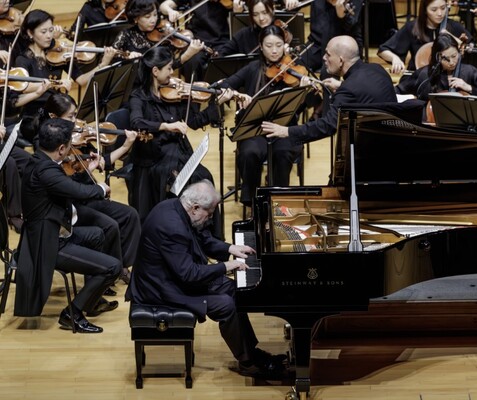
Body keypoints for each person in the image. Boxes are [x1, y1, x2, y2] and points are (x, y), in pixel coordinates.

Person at [126, 180, 287, 377]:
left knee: (233, 289)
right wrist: (225, 266)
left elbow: (202, 239)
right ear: (195, 207)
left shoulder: (177, 207)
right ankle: (248, 363)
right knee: (226, 305)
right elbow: (189, 274)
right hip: (159, 290)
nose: (210, 219)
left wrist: (230, 248)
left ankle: (252, 353)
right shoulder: (172, 227)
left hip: (171, 276)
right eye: (209, 214)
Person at [14, 118, 121, 333]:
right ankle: (72, 313)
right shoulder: (45, 171)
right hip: (49, 244)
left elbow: (66, 185)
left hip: (57, 232)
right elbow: (79, 192)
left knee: (98, 234)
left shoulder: (41, 160)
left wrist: (87, 169)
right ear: (62, 149)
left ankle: (91, 299)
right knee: (113, 267)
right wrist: (101, 188)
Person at [35, 93, 141, 284]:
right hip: (73, 201)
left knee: (130, 215)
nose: (76, 122)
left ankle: (120, 267)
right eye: (70, 117)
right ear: (53, 117)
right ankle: (110, 271)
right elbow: (62, 182)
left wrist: (125, 146)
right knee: (110, 225)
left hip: (88, 194)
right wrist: (90, 178)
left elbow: (99, 162)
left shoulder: (76, 138)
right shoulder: (48, 142)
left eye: (75, 115)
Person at [128, 46, 235, 234]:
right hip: (154, 158)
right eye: (169, 68)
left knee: (204, 177)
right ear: (155, 71)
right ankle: (179, 230)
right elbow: (136, 122)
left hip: (179, 151)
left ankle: (205, 234)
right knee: (185, 182)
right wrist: (166, 126)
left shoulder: (175, 92)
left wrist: (216, 103)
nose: (172, 72)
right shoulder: (139, 97)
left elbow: (194, 122)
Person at [220, 24, 309, 206]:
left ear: (285, 45)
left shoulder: (293, 70)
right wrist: (237, 95)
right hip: (255, 127)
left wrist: (303, 93)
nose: (274, 51)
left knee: (283, 153)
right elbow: (225, 85)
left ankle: (278, 200)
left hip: (283, 127)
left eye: (278, 45)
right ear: (260, 46)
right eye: (269, 46)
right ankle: (253, 201)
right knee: (249, 153)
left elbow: (300, 111)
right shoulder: (252, 68)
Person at [262, 35, 397, 144]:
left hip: (370, 152)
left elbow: (328, 126)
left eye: (328, 54)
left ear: (341, 60)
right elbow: (363, 91)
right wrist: (341, 86)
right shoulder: (377, 69)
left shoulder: (348, 89)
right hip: (395, 139)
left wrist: (286, 131)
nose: (323, 58)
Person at [15, 9, 117, 143]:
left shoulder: (58, 53)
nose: (49, 36)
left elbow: (81, 80)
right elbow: (24, 87)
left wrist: (102, 65)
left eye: (51, 30)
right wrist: (54, 84)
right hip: (35, 117)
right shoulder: (23, 60)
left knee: (79, 139)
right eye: (43, 32)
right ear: (30, 33)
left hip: (58, 112)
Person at [377, 0, 472, 74]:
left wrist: (454, 39)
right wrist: (395, 58)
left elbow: (472, 49)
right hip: (418, 77)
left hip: (448, 79)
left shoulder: (454, 26)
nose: (440, 13)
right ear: (425, 10)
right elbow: (383, 50)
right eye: (434, 10)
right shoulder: (412, 27)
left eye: (443, 8)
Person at [399, 33, 477, 102]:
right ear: (437, 57)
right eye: (445, 58)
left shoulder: (470, 71)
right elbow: (399, 90)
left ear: (459, 52)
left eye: (454, 56)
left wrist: (469, 88)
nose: (451, 62)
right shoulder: (425, 74)